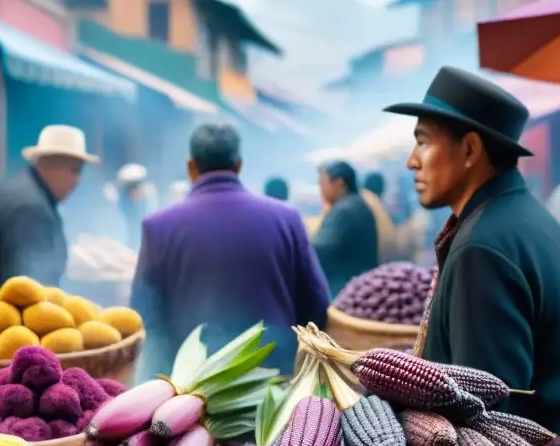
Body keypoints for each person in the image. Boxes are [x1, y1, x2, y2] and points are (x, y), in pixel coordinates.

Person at [387, 66, 560, 446]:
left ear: (469, 149)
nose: (412, 160)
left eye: (424, 140)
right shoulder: (527, 217)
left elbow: (488, 422)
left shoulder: (481, 248)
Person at [131, 123, 330, 380]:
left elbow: (143, 315)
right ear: (238, 165)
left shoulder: (158, 226)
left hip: (189, 393)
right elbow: (317, 307)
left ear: (191, 167)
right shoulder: (287, 219)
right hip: (274, 386)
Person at [0, 125, 97, 288]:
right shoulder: (30, 208)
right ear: (50, 164)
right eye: (74, 170)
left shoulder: (23, 191)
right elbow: (31, 290)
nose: (76, 181)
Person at [313, 160, 379, 296]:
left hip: (345, 289)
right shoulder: (353, 204)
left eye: (322, 184)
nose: (321, 190)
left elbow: (321, 250)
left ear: (339, 183)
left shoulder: (346, 210)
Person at [104, 163, 157, 251]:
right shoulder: (122, 199)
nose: (134, 191)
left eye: (135, 186)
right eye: (129, 187)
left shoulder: (148, 196)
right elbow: (118, 222)